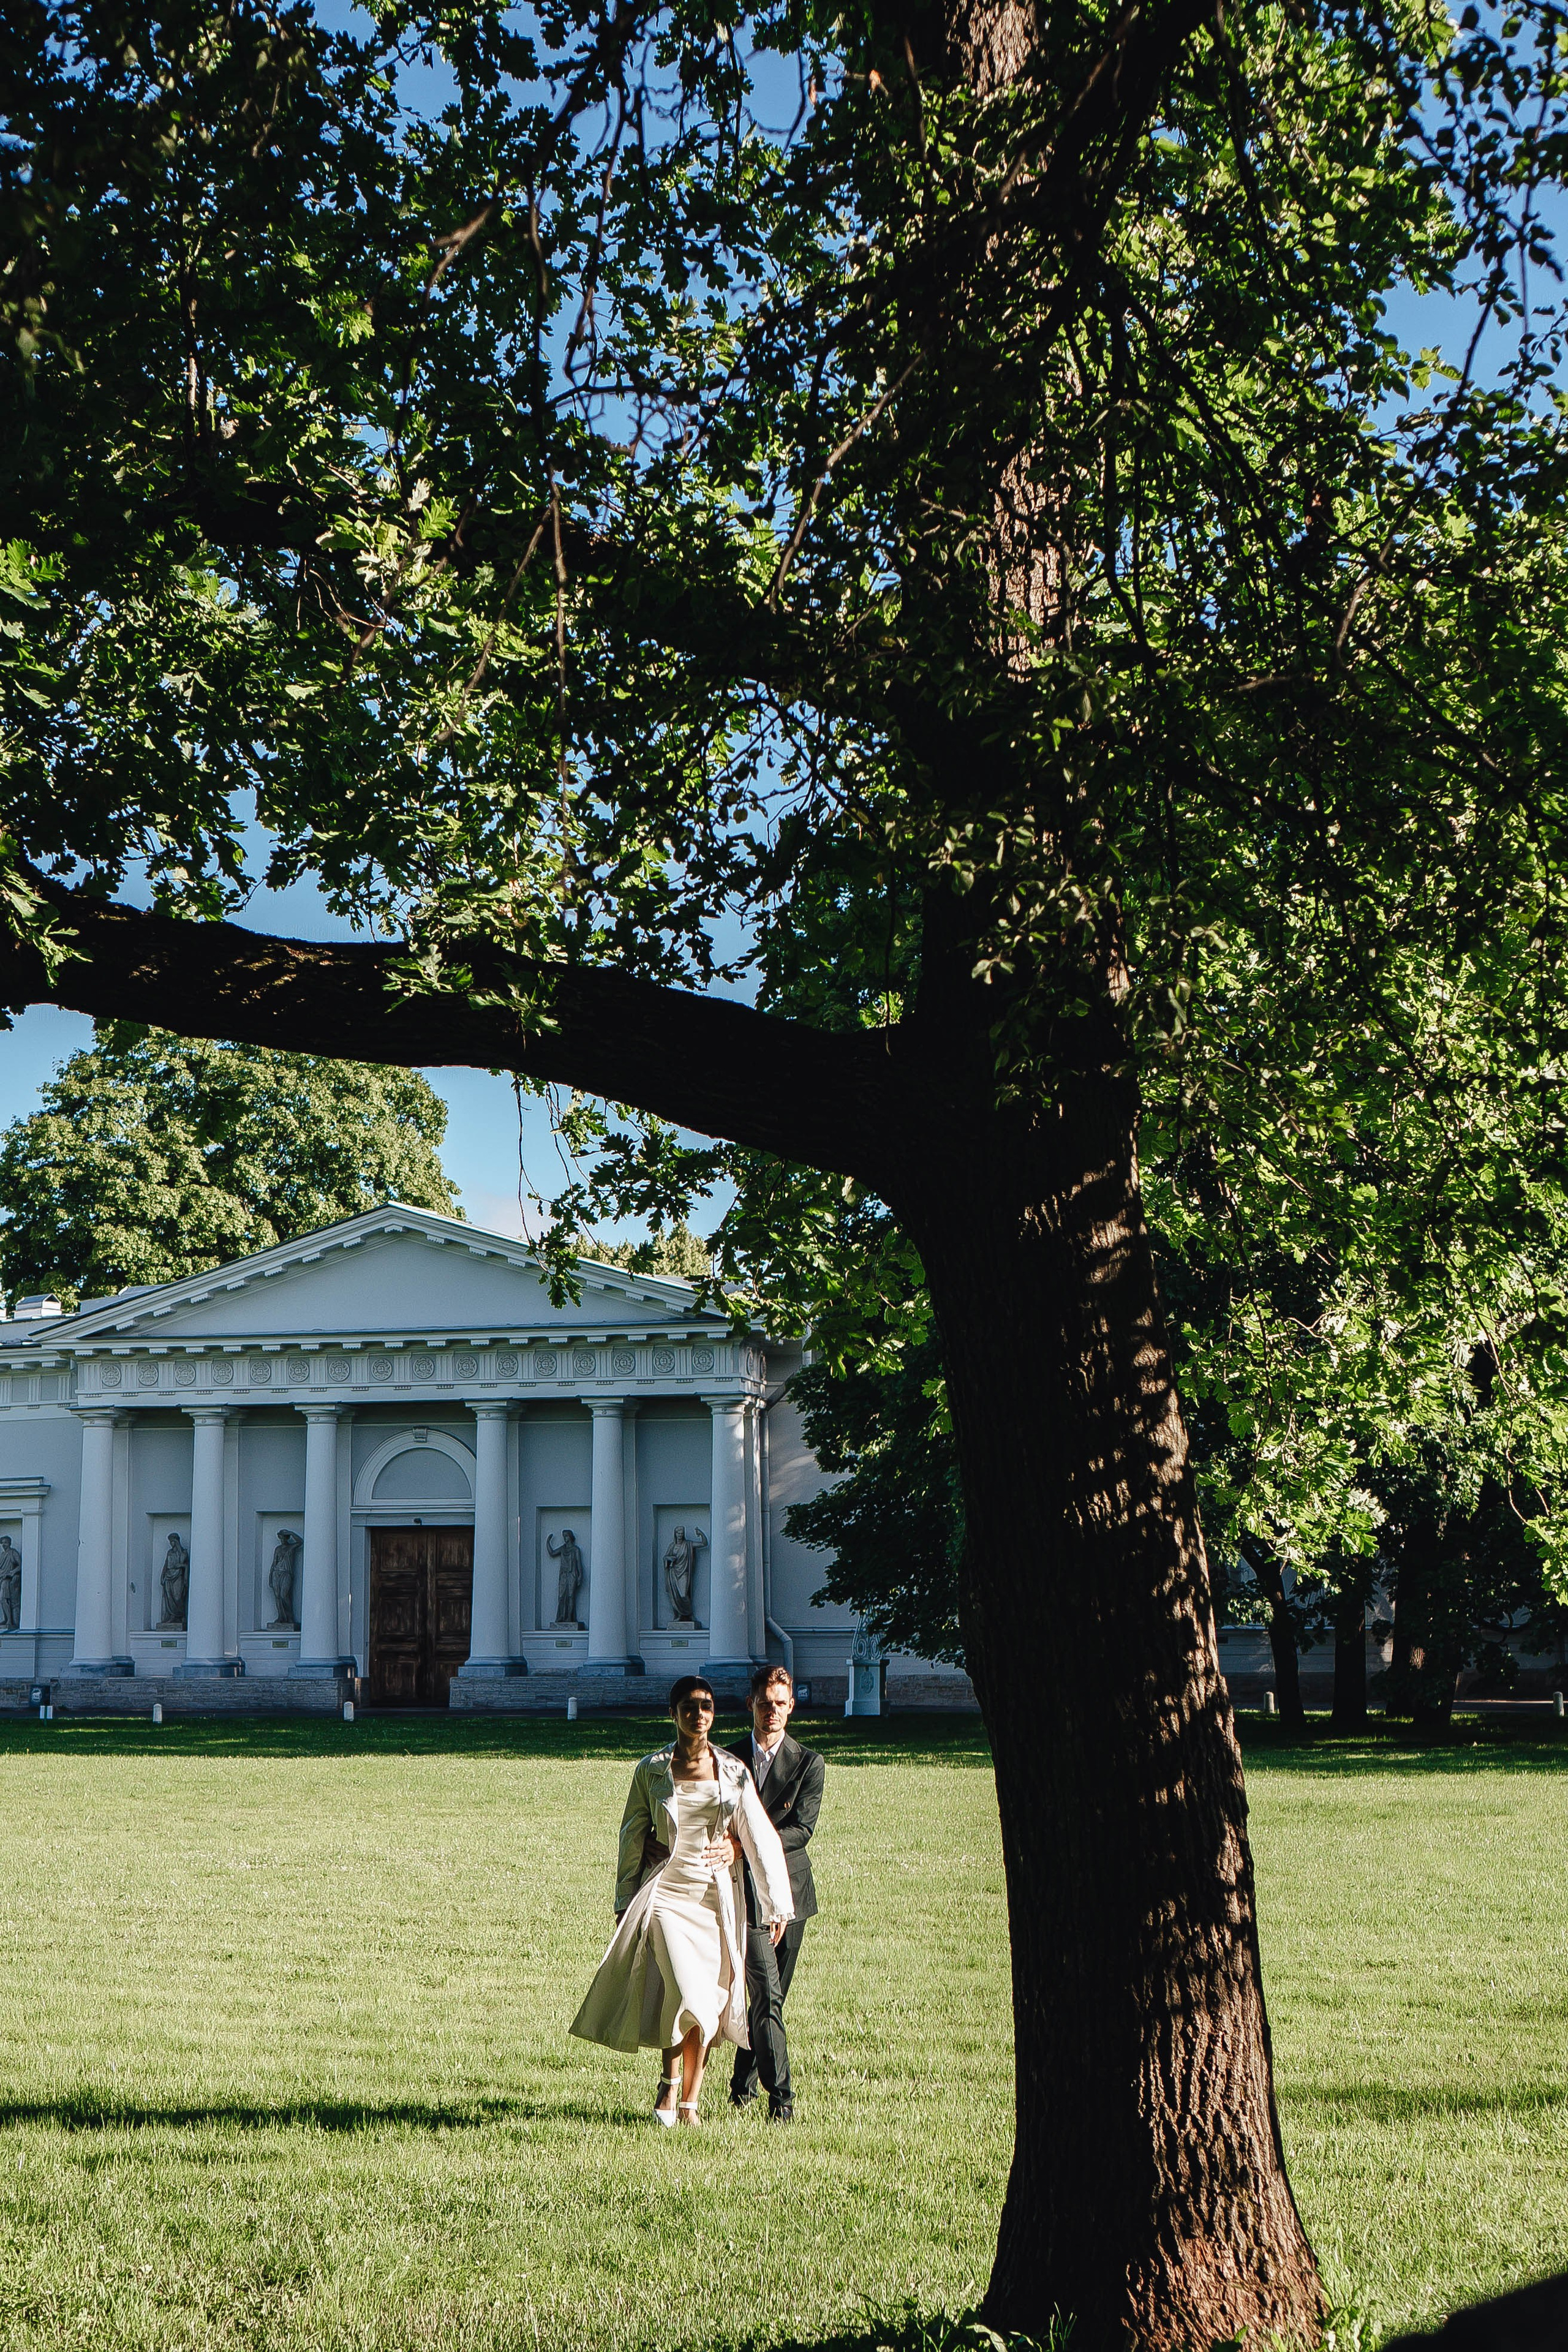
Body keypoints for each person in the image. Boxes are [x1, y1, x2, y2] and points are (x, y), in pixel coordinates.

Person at [570, 1674, 794, 2125]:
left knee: (707, 2004)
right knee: (686, 1993)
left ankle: (687, 2102)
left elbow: (760, 1838)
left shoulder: (732, 1771)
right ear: (673, 1714)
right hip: (668, 1897)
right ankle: (669, 2086)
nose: (699, 1715)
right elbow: (632, 1835)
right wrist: (624, 1899)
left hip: (715, 1897)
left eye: (707, 1706)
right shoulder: (650, 1770)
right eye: (689, 1707)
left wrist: (776, 1906)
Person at [725, 1665, 824, 2122]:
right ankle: (781, 2100)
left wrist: (748, 1840)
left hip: (792, 1893)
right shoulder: (728, 1760)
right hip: (743, 1891)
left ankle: (740, 2087)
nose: (773, 1712)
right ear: (752, 1705)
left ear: (791, 1707)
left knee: (772, 1995)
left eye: (781, 1704)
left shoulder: (808, 1763)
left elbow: (801, 1830)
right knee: (766, 1993)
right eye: (765, 1703)